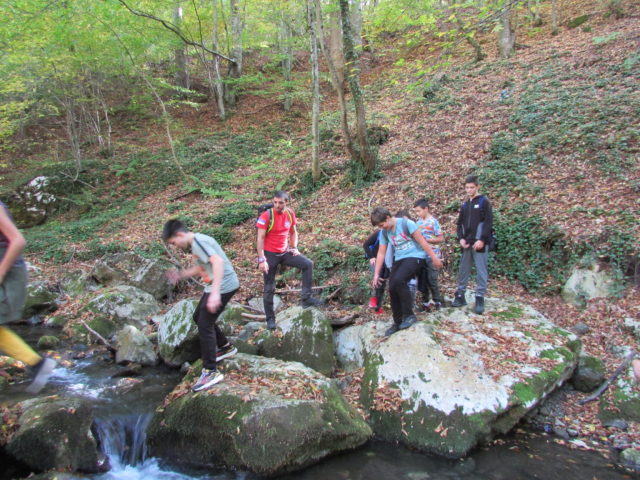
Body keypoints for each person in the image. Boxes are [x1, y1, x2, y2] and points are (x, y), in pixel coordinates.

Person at [163, 219, 239, 392]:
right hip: (214, 285)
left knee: (205, 324)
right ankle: (225, 347)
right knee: (198, 317)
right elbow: (200, 268)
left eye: (174, 243)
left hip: (224, 284)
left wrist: (215, 293)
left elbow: (218, 262)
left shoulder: (199, 242)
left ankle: (210, 371)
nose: (175, 246)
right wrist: (180, 275)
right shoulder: (195, 244)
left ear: (179, 235)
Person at [0, 201, 56, 393]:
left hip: (9, 275)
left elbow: (18, 240)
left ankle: (38, 364)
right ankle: (39, 365)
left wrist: (1, 273)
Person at [370, 207, 443, 336]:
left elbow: (422, 242)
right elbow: (381, 253)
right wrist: (376, 274)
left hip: (416, 256)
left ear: (388, 218)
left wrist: (434, 258)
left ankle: (409, 315)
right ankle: (397, 321)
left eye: (382, 225)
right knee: (392, 286)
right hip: (399, 258)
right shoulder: (384, 232)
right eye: (379, 227)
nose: (382, 228)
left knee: (399, 280)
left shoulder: (407, 224)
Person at [256, 191, 322, 330]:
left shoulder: (290, 213)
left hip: (285, 252)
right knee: (269, 287)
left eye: (280, 203)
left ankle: (306, 298)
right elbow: (260, 238)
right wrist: (262, 259)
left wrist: (294, 247)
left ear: (286, 202)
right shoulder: (266, 215)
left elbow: (293, 232)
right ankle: (270, 319)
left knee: (307, 264)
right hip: (269, 254)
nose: (277, 205)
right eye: (275, 202)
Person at [452, 175, 493, 315]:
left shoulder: (484, 201)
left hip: (479, 243)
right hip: (467, 243)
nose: (469, 190)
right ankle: (460, 294)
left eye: (472, 187)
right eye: (467, 188)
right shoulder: (465, 204)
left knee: (481, 270)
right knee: (463, 269)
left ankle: (480, 297)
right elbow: (460, 224)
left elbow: (488, 222)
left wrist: (482, 239)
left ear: (477, 187)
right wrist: (461, 239)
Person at [413, 198, 444, 311]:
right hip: (421, 255)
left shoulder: (433, 222)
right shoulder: (417, 223)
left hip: (433, 255)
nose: (417, 213)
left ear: (426, 209)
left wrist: (426, 240)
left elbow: (440, 238)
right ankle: (425, 302)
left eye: (419, 211)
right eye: (416, 211)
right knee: (423, 279)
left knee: (432, 279)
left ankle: (437, 301)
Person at [363, 229, 390, 314]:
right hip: (375, 261)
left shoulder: (395, 234)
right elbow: (365, 245)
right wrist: (371, 257)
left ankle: (378, 307)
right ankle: (375, 303)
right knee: (378, 281)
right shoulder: (379, 233)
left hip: (387, 262)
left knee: (383, 282)